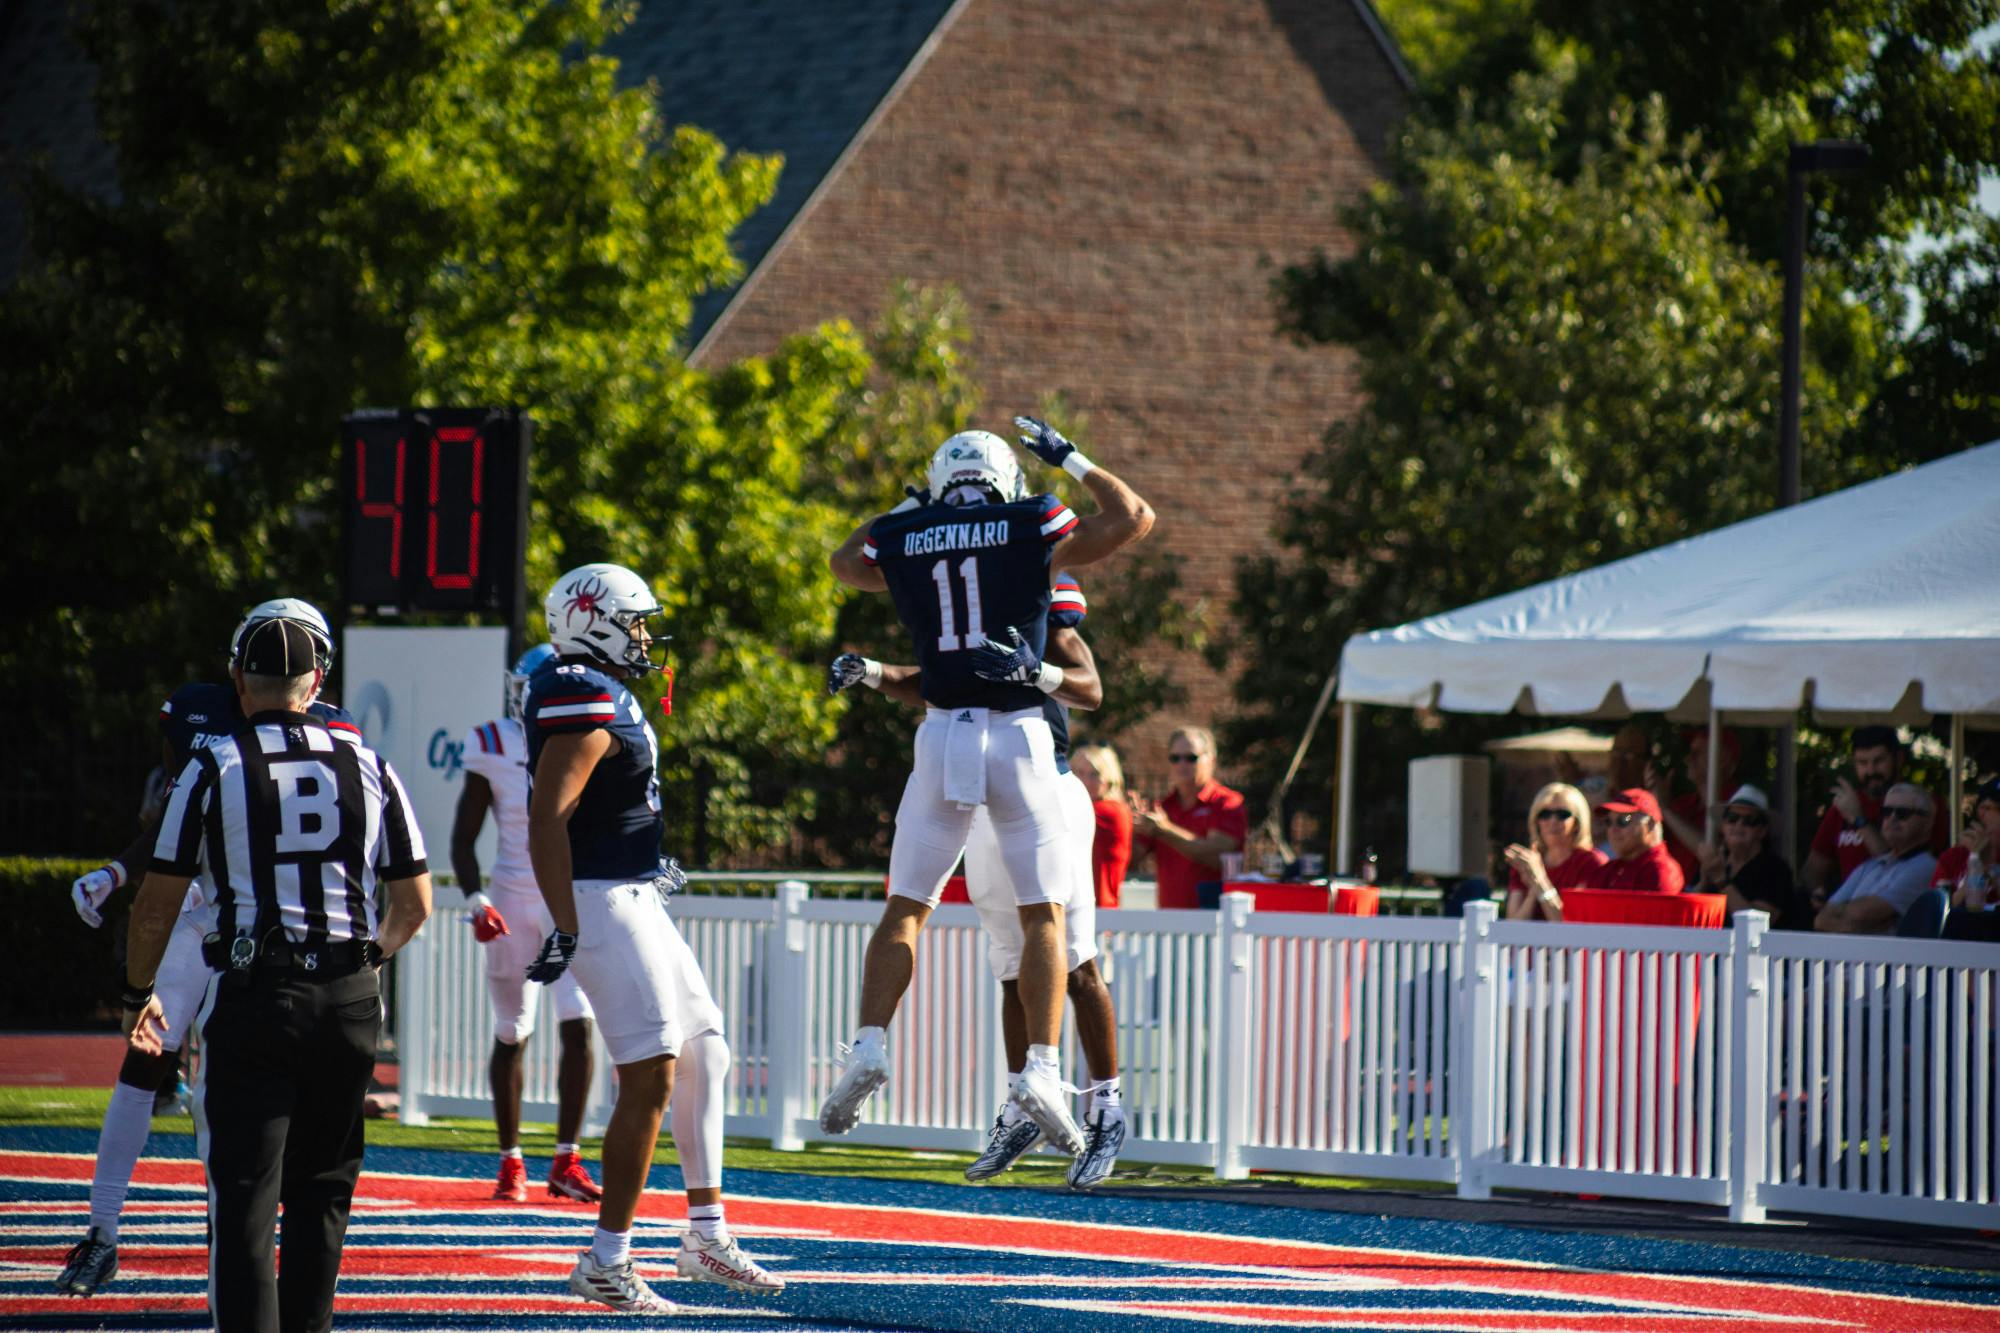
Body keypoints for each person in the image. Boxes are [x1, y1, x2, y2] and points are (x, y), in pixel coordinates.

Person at [820, 418, 1153, 1157]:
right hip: (1019, 735)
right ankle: (1040, 1066)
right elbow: (1132, 517)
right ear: (1007, 479)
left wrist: (912, 511)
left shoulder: (906, 535)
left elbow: (846, 562)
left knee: (906, 905)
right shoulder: (1030, 520)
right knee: (1043, 915)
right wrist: (1070, 458)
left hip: (940, 731)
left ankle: (868, 1043)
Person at [123, 615, 433, 1333]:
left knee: (245, 1200)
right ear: (316, 682)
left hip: (260, 992)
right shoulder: (370, 762)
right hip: (349, 998)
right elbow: (414, 903)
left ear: (239, 683)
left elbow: (157, 900)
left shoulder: (215, 764)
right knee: (323, 1193)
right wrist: (364, 961)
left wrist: (137, 992)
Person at [55, 599, 364, 1300]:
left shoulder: (331, 735)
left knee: (227, 1086)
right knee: (148, 1060)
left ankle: (223, 1235)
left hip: (253, 930)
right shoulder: (211, 716)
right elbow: (172, 826)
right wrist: (117, 870)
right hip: (202, 917)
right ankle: (103, 1229)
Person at [521, 562, 781, 1314]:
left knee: (708, 1048)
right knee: (652, 1073)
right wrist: (565, 921)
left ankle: (704, 1232)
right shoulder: (580, 689)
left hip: (633, 892)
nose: (643, 636)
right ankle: (607, 1258)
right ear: (593, 617)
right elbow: (547, 817)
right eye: (634, 620)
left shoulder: (604, 689)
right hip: (601, 900)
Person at [828, 570, 1126, 1187]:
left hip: (1050, 787)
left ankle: (1106, 1108)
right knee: (1012, 966)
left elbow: (1088, 686)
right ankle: (1022, 1101)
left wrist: (1034, 671)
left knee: (1075, 962)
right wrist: (876, 673)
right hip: (984, 794)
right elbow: (935, 687)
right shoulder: (958, 591)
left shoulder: (1035, 581)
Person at [450, 641, 601, 1204]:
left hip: (567, 895)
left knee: (578, 1022)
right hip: (513, 898)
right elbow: (463, 838)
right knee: (512, 1030)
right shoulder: (492, 742)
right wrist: (475, 900)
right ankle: (511, 1161)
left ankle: (567, 1159)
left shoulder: (587, 733)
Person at [1803, 725, 1947, 905]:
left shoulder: (1921, 806)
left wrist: (1859, 820)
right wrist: (1819, 891)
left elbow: (1900, 862)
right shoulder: (1845, 806)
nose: (1871, 771)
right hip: (1845, 915)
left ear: (1898, 759)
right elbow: (1813, 869)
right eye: (1862, 763)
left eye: (1879, 761)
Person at [1132, 727, 1248, 909]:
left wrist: (1165, 830)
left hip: (1216, 918)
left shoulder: (1227, 803)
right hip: (1170, 920)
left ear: (1212, 760)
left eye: (1191, 758)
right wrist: (1124, 824)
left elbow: (1218, 857)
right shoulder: (1164, 807)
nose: (1182, 764)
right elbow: (1131, 858)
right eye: (1175, 758)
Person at [1813, 782, 1939, 934]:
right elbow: (1821, 920)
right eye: (1886, 812)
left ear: (1927, 822)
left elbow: (1862, 913)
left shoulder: (1925, 867)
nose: (1892, 818)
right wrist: (1859, 925)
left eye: (1903, 813)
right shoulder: (1870, 866)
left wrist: (1843, 916)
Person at [1902, 778, 2000, 942]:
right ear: (1982, 812)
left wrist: (1991, 868)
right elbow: (1935, 914)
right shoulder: (1955, 857)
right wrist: (1976, 866)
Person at [1500, 782, 1606, 922]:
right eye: (1544, 814)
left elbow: (1569, 928)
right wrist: (1534, 890)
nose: (1552, 821)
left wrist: (1540, 881)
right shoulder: (1527, 862)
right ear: (1536, 821)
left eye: (1562, 814)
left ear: (1577, 823)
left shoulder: (1591, 862)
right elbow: (1513, 929)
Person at [1692, 784, 1796, 923]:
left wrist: (1721, 881)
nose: (1738, 825)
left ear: (1762, 831)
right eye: (1732, 818)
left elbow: (1757, 923)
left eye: (1749, 821)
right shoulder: (1716, 861)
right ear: (1723, 826)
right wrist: (1704, 881)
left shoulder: (1775, 869)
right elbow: (1690, 914)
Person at [1654, 727, 1740, 885]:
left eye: (1698, 752)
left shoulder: (1738, 804)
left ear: (1724, 759)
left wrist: (1665, 809)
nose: (1689, 758)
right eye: (1691, 752)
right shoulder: (1682, 804)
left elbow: (1713, 850)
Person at [1582, 789, 1685, 892]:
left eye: (1623, 820)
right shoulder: (1608, 871)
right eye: (1608, 821)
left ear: (1649, 825)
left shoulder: (1659, 870)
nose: (1612, 829)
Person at [1071, 743, 1132, 909]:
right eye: (1079, 773)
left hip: (1099, 911)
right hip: (1086, 907)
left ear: (1109, 780)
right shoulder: (1088, 807)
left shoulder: (1110, 811)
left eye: (1094, 774)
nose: (1085, 781)